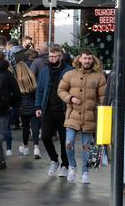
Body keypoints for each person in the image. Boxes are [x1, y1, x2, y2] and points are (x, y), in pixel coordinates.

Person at [58, 50, 106, 184]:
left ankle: (85, 171)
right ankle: (72, 166)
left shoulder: (99, 77)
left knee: (87, 146)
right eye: (85, 58)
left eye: (89, 59)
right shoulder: (69, 74)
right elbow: (61, 90)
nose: (87, 61)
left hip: (90, 116)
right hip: (72, 115)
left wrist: (102, 115)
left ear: (93, 60)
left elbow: (103, 98)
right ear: (80, 59)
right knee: (69, 143)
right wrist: (70, 98)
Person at [35, 45, 73, 177]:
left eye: (54, 56)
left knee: (64, 140)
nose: (51, 59)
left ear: (60, 56)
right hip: (48, 109)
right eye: (49, 56)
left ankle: (65, 164)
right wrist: (38, 106)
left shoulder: (69, 71)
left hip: (64, 110)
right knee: (45, 136)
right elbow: (40, 89)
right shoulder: (45, 70)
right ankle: (54, 159)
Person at [16, 61, 41, 159]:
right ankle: (36, 148)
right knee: (35, 128)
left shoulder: (17, 80)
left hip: (23, 108)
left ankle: (25, 147)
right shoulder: (33, 78)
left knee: (25, 128)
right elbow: (37, 93)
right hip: (34, 106)